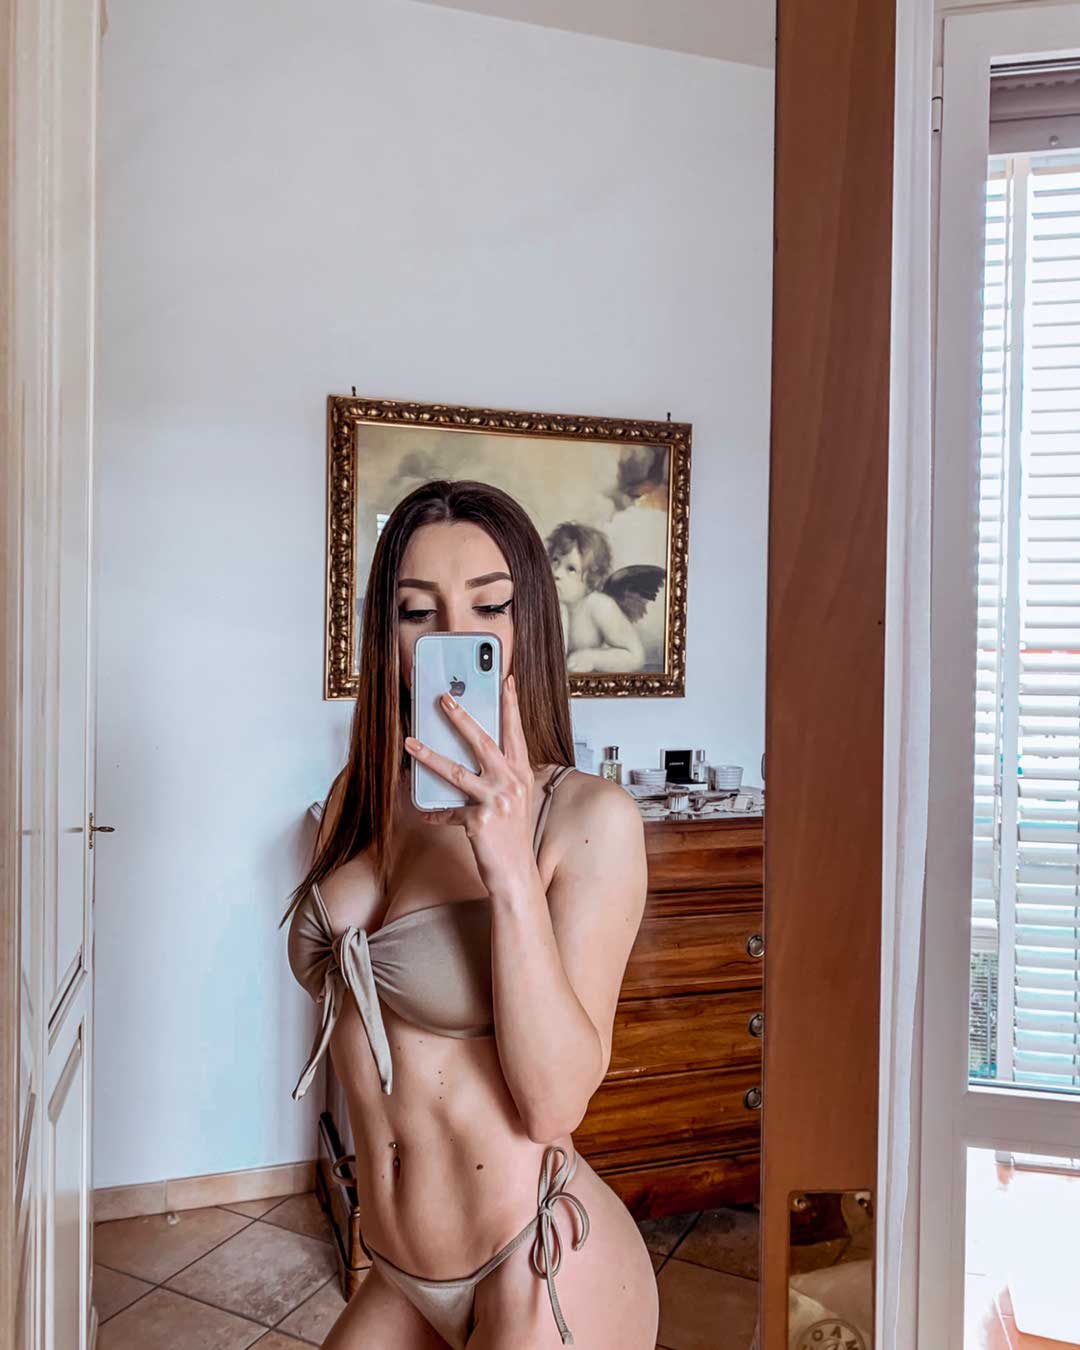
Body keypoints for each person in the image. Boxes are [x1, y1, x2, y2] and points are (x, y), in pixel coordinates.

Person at [282, 479, 659, 1349]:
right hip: (400, 1271)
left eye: (489, 607)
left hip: (534, 1261)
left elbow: (554, 1104)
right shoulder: (357, 799)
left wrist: (509, 867)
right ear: (387, 636)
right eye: (418, 612)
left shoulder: (586, 820)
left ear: (531, 627)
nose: (453, 636)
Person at [545, 521, 646, 674]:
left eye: (571, 569)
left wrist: (592, 658)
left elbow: (636, 657)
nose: (556, 573)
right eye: (555, 561)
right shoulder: (548, 603)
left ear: (592, 578)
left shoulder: (599, 605)